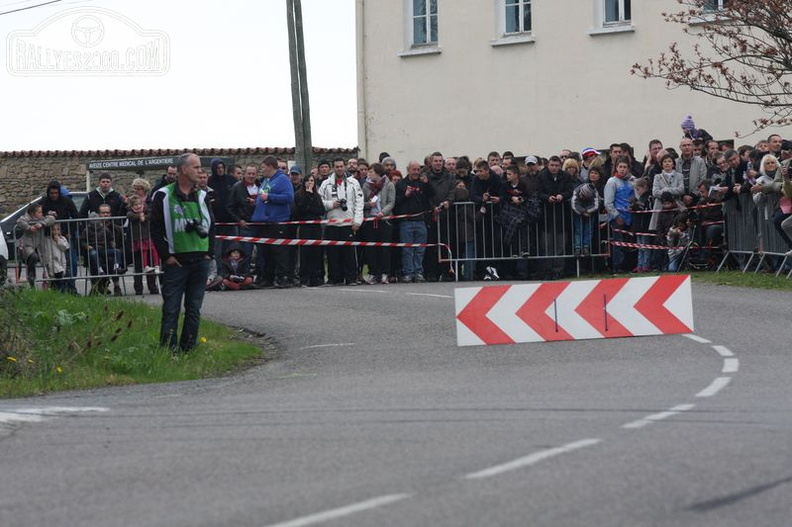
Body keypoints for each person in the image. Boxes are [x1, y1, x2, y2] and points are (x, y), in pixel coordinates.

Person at [150, 152, 215, 353]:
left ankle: (189, 348)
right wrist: (166, 256)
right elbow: (156, 229)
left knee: (194, 309)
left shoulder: (203, 196)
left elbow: (212, 225)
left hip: (200, 260)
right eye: (196, 167)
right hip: (176, 262)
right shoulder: (163, 195)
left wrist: (209, 254)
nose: (200, 171)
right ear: (184, 170)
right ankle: (168, 350)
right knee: (171, 308)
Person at [318, 158, 364, 285]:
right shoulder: (325, 184)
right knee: (333, 253)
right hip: (332, 223)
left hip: (348, 223)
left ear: (344, 167)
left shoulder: (353, 183)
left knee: (349, 253)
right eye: (336, 166)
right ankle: (334, 278)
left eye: (341, 166)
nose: (339, 168)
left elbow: (359, 203)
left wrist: (358, 221)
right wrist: (331, 204)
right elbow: (319, 202)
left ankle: (351, 278)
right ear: (333, 168)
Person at [251, 156, 295, 288]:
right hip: (264, 221)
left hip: (277, 221)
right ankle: (268, 278)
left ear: (270, 167)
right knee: (266, 252)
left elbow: (289, 197)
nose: (262, 170)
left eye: (263, 167)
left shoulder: (282, 180)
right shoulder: (266, 181)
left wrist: (270, 197)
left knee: (279, 252)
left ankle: (283, 278)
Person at [394, 160, 434, 282]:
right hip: (406, 221)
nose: (416, 172)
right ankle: (408, 273)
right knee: (407, 250)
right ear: (408, 169)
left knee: (420, 249)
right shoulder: (401, 184)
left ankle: (418, 272)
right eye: (414, 169)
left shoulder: (423, 183)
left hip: (421, 221)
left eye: (418, 170)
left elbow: (431, 195)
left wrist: (427, 185)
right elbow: (396, 202)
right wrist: (405, 195)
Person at [40, 179, 80, 292]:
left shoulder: (66, 201)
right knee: (53, 262)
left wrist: (70, 233)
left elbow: (76, 217)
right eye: (51, 193)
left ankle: (71, 287)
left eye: (56, 193)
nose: (54, 195)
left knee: (70, 261)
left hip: (65, 236)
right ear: (48, 192)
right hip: (49, 237)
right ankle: (57, 286)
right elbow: (36, 214)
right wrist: (46, 214)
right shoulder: (44, 202)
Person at [361, 162, 396, 284]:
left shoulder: (389, 185)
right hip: (370, 220)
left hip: (384, 220)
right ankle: (373, 272)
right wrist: (368, 205)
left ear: (378, 173)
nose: (369, 174)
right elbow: (362, 202)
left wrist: (383, 212)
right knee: (371, 248)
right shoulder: (366, 186)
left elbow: (391, 202)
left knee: (385, 248)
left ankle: (385, 273)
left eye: (371, 172)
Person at [80, 203, 125, 296]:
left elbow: (119, 244)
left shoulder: (115, 228)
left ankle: (116, 285)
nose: (105, 215)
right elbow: (82, 241)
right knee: (93, 259)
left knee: (113, 257)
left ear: (111, 214)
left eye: (107, 213)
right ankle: (96, 287)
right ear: (98, 214)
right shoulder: (87, 229)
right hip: (95, 253)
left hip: (108, 254)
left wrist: (114, 247)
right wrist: (87, 247)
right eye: (103, 213)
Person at [294, 172, 326, 287]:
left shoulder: (317, 195)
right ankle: (304, 278)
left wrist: (310, 208)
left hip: (316, 227)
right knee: (305, 253)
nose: (310, 183)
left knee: (316, 252)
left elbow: (321, 210)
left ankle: (315, 278)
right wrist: (307, 196)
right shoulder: (299, 194)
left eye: (312, 181)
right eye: (308, 181)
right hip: (305, 227)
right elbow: (300, 210)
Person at [126, 190, 160, 296]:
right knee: (138, 265)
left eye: (139, 204)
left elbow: (152, 214)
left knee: (150, 263)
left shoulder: (147, 211)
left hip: (148, 239)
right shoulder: (131, 213)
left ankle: (152, 287)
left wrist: (144, 217)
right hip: (137, 241)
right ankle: (138, 288)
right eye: (135, 205)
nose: (138, 207)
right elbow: (130, 215)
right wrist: (139, 217)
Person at [604, 156, 634, 273]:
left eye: (625, 167)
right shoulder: (612, 182)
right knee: (618, 243)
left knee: (629, 243)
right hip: (618, 217)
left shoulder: (631, 181)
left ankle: (628, 265)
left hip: (630, 216)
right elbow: (608, 202)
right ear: (616, 168)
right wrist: (616, 216)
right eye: (620, 167)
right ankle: (618, 266)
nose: (622, 169)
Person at [16, 203, 55, 288]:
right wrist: (29, 227)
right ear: (32, 213)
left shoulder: (41, 219)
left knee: (47, 261)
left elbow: (52, 219)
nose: (41, 214)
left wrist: (43, 223)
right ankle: (31, 278)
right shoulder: (27, 218)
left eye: (41, 212)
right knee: (33, 257)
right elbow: (19, 221)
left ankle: (50, 281)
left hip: (40, 244)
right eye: (39, 212)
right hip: (29, 245)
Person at [571, 182, 600, 258]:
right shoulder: (576, 191)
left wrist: (588, 211)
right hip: (578, 213)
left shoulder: (595, 192)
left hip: (590, 213)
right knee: (578, 230)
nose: (582, 197)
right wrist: (583, 212)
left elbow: (596, 205)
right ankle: (577, 247)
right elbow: (574, 205)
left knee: (588, 230)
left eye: (584, 196)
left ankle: (586, 247)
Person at [41, 223, 70, 292]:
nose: (56, 232)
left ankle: (59, 291)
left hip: (61, 262)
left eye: (58, 229)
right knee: (54, 278)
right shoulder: (48, 240)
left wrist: (58, 241)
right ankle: (57, 291)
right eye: (54, 230)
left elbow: (65, 247)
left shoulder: (63, 239)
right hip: (52, 262)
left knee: (60, 278)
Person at [631, 177, 652, 273]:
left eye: (638, 189)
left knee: (645, 247)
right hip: (638, 226)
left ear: (644, 187)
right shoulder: (639, 198)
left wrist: (638, 207)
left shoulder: (649, 198)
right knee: (640, 247)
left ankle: (646, 264)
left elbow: (648, 210)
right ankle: (640, 264)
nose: (637, 192)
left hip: (645, 226)